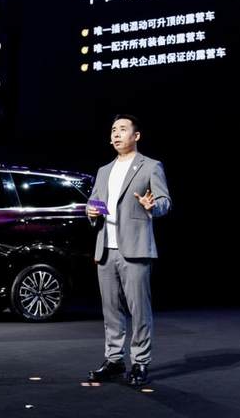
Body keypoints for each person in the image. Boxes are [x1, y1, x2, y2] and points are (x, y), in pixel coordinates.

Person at [86, 114, 171, 386]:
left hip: (135, 248)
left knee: (139, 310)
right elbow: (94, 202)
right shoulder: (103, 170)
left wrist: (152, 205)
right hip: (106, 249)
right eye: (113, 129)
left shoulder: (150, 166)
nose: (116, 134)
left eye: (123, 129)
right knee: (111, 310)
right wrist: (91, 211)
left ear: (136, 136)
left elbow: (164, 202)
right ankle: (114, 360)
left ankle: (140, 362)